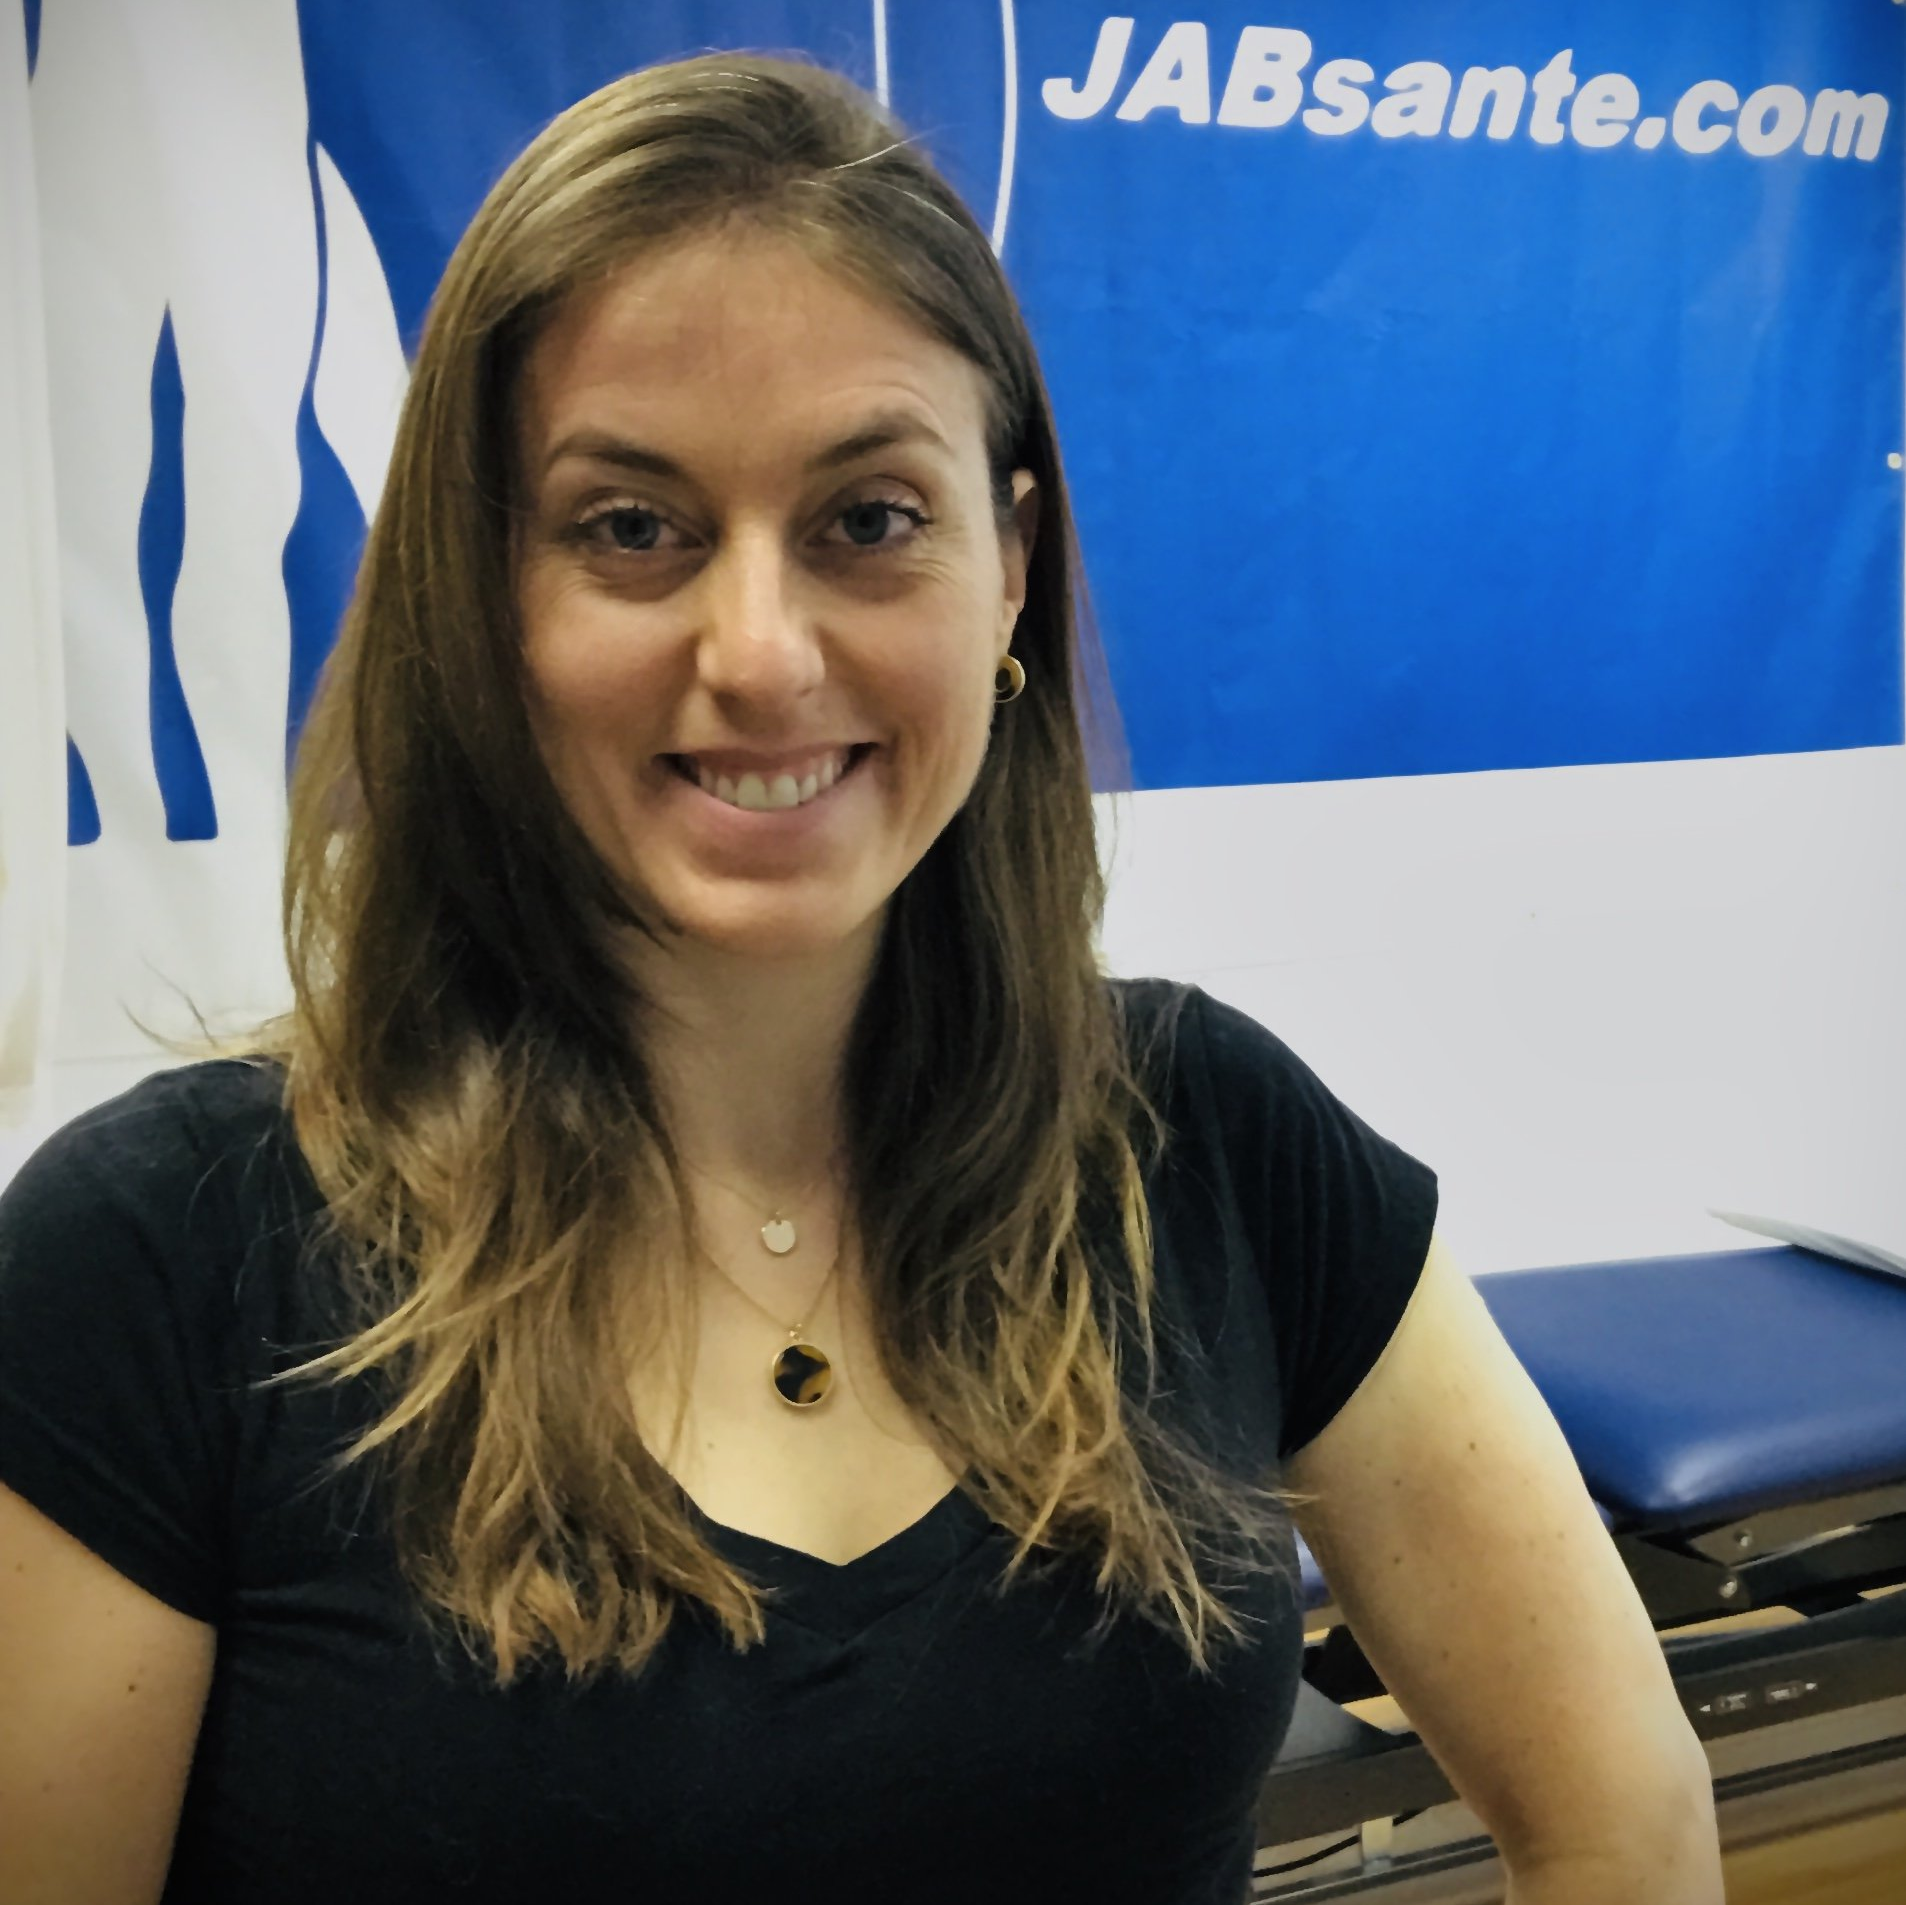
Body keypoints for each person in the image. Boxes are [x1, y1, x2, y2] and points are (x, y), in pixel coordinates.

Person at [0, 51, 1720, 1905]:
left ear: (1006, 571)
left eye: (869, 519)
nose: (758, 652)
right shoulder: (164, 1255)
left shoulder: (1209, 1143)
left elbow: (1625, 1817)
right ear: (484, 599)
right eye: (629, 527)